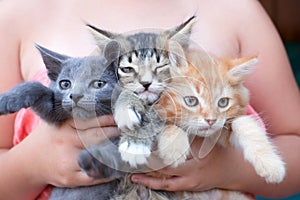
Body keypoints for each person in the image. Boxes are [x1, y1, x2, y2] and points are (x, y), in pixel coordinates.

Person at [0, 0, 299, 199]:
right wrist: (33, 163)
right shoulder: (17, 12)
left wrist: (227, 168)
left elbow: (294, 140)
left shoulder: (234, 9)